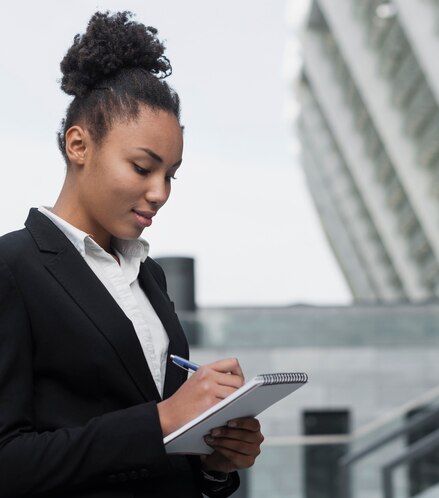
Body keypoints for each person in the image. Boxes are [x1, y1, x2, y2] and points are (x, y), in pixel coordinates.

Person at [0, 11, 263, 498]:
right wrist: (163, 420)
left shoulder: (149, 278)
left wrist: (213, 459)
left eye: (171, 175)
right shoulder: (12, 267)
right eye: (143, 167)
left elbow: (157, 452)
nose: (160, 192)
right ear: (78, 144)